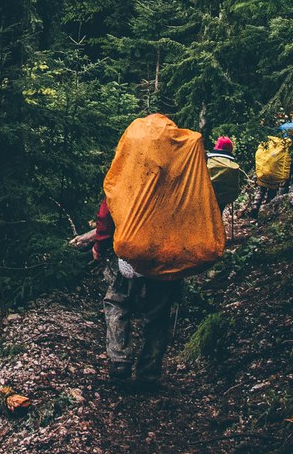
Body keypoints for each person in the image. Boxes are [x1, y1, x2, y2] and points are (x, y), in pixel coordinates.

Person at [70, 113, 226, 390]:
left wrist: (100, 244)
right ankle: (149, 372)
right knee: (158, 314)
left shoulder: (130, 175)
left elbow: (108, 211)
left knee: (117, 303)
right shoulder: (183, 176)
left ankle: (119, 359)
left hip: (133, 252)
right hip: (170, 252)